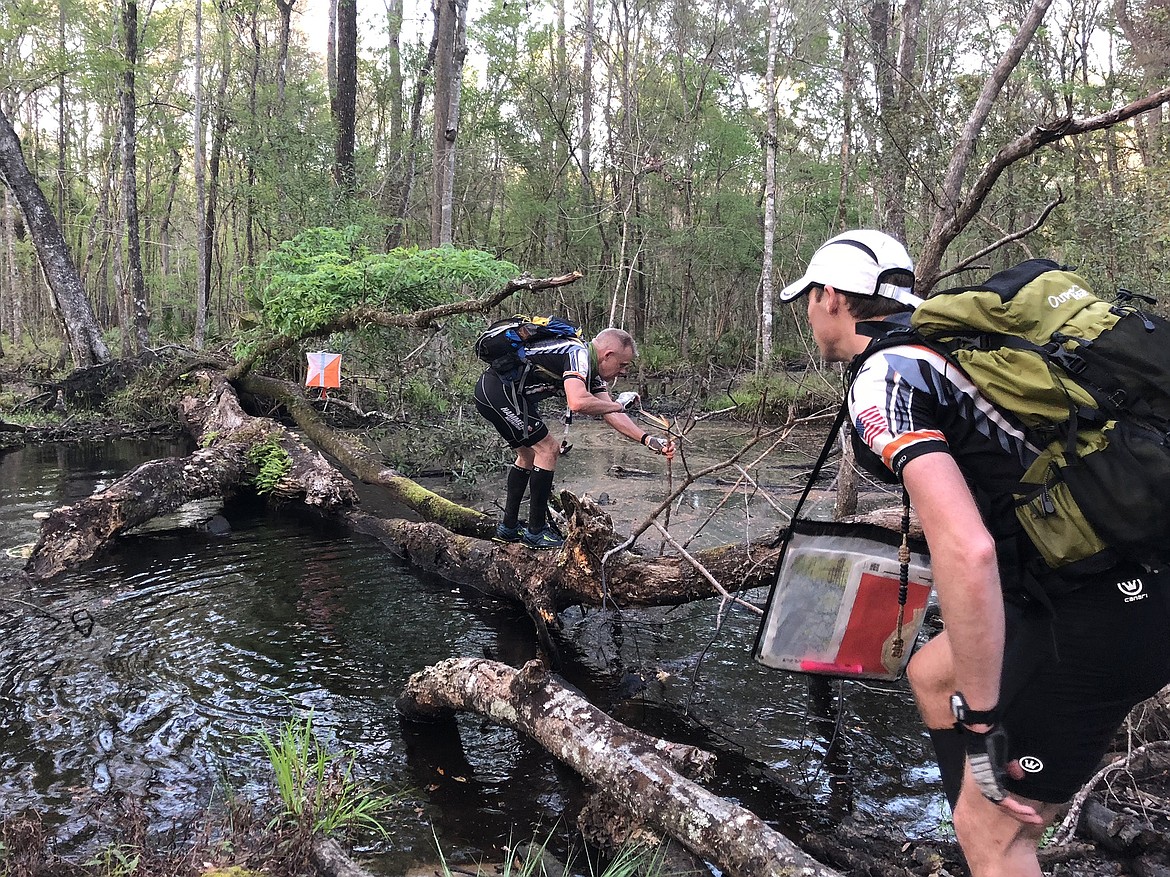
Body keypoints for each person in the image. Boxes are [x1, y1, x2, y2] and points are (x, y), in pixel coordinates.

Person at [780, 229, 1170, 877]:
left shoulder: (883, 376)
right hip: (1125, 569)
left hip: (1098, 608)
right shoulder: (953, 345)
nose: (810, 315)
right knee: (933, 672)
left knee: (997, 837)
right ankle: (979, 810)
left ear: (830, 298)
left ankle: (991, 835)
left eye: (810, 300)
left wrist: (986, 721)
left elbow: (970, 548)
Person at [473, 325, 676, 550]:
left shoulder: (592, 371)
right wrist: (618, 403)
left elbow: (611, 413)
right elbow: (578, 402)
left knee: (528, 455)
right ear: (608, 355)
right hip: (496, 393)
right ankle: (536, 532)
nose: (623, 372)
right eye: (622, 365)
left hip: (499, 394)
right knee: (548, 449)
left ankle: (508, 529)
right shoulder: (576, 353)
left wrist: (648, 440)